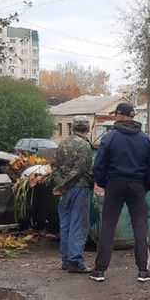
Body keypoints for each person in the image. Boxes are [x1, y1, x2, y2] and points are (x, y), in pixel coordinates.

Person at [91, 102, 150, 282]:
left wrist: (103, 183)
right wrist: (145, 185)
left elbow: (98, 165)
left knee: (108, 225)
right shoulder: (146, 139)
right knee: (139, 225)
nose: (115, 117)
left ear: (121, 116)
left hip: (114, 183)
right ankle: (143, 270)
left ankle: (99, 270)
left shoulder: (110, 137)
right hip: (137, 184)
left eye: (116, 115)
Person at [52, 115, 94, 273]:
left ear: (73, 127)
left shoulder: (62, 143)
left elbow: (54, 166)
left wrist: (60, 184)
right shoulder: (84, 145)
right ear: (87, 128)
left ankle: (65, 259)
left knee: (66, 224)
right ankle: (75, 261)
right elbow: (80, 170)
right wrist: (65, 184)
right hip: (79, 188)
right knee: (79, 224)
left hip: (65, 191)